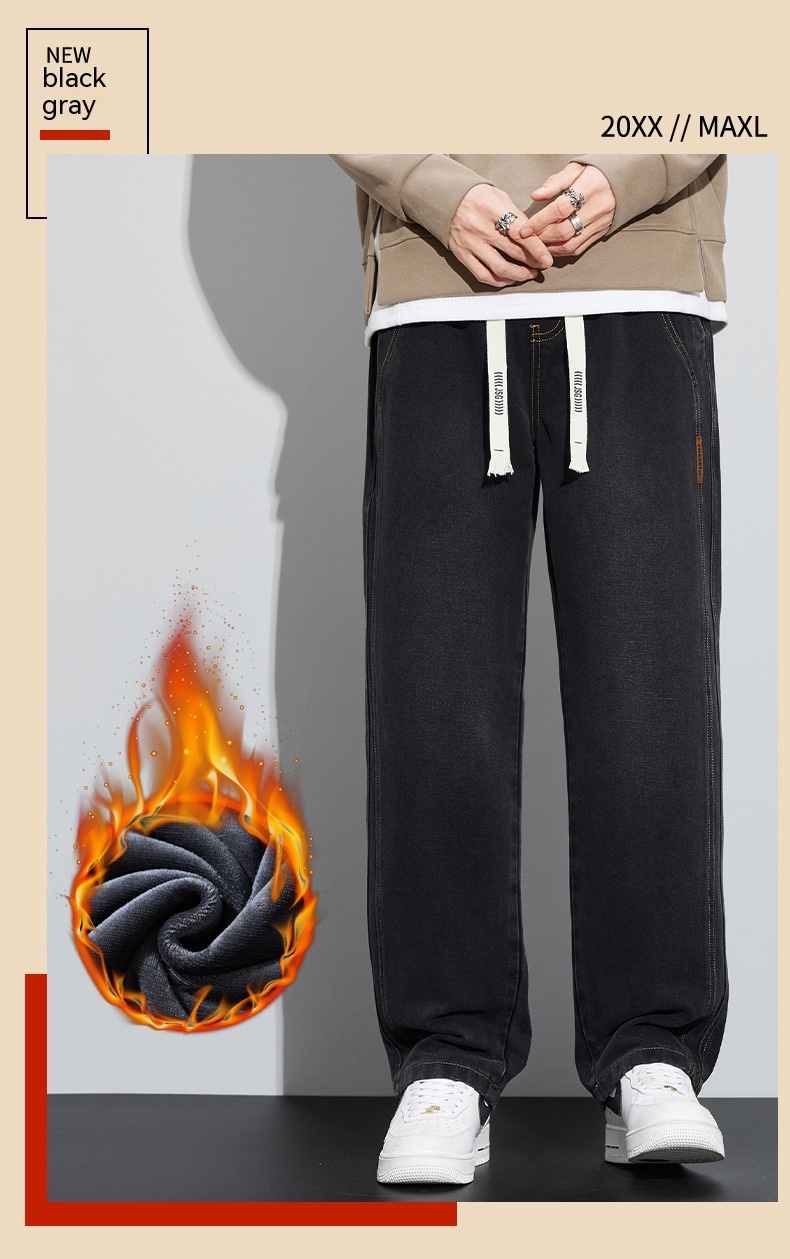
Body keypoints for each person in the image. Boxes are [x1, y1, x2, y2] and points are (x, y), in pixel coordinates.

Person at [331, 154, 729, 1184]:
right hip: (438, 284)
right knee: (432, 690)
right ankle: (446, 1058)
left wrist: (629, 170)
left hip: (640, 278)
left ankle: (652, 1050)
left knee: (650, 691)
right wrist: (431, 186)